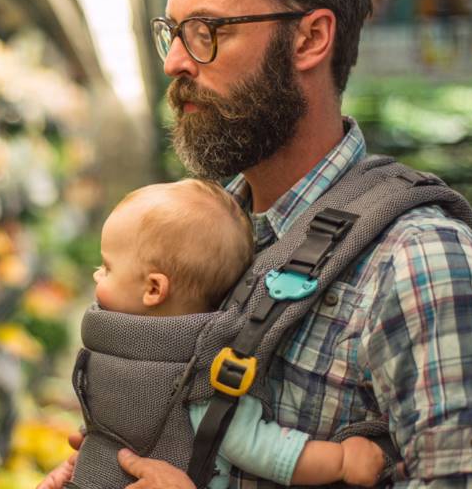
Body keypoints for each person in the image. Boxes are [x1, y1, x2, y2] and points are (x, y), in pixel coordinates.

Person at [41, 0, 472, 487]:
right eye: (173, 31)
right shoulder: (202, 239)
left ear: (310, 38)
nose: (174, 61)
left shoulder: (425, 268)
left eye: (207, 31)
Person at [74, 178, 387, 488]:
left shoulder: (199, 378)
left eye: (107, 267)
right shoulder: (125, 351)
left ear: (154, 289)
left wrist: (340, 462)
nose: (96, 274)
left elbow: (258, 447)